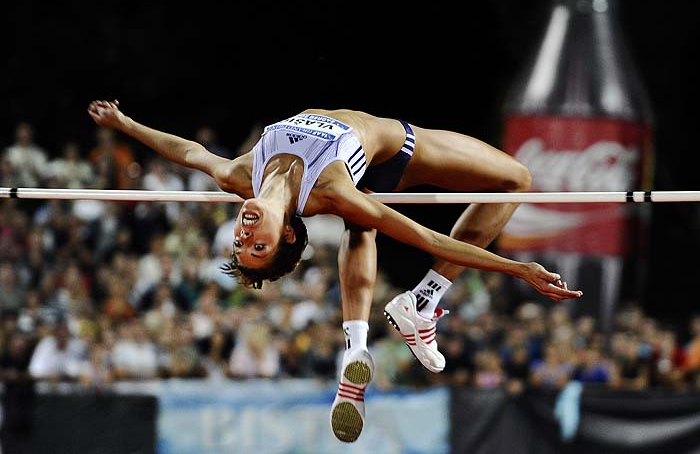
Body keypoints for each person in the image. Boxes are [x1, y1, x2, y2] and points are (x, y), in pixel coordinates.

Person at [87, 100, 583, 442]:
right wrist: (519, 268)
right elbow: (428, 238)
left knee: (360, 225)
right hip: (398, 150)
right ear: (284, 235)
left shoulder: (238, 175)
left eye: (240, 243)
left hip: (364, 171)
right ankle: (423, 300)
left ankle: (358, 348)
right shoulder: (328, 191)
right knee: (515, 178)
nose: (244, 234)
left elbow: (187, 151)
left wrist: (126, 124)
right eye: (256, 246)